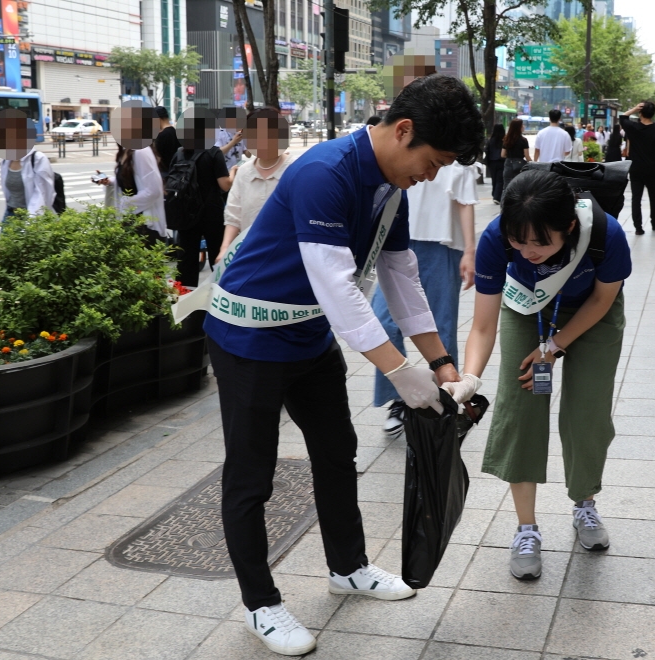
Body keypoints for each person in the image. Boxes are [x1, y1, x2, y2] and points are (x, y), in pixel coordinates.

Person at [202, 74, 483, 657]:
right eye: (433, 161)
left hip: (305, 336)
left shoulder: (389, 185)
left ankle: (348, 567)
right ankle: (261, 604)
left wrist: (443, 364)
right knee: (251, 474)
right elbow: (338, 288)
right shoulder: (324, 173)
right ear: (403, 130)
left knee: (336, 451)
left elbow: (401, 276)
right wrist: (403, 373)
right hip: (249, 337)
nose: (432, 175)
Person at [443, 169, 631, 580]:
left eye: (540, 242)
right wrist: (470, 379)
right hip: (528, 308)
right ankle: (526, 529)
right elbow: (482, 326)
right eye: (518, 239)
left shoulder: (606, 234)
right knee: (520, 409)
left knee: (588, 412)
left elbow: (602, 300)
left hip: (591, 317)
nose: (528, 251)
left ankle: (585, 503)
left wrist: (553, 347)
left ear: (567, 227)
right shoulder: (496, 238)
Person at [372, 159, 478, 438]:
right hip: (398, 242)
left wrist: (470, 250)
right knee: (384, 324)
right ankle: (400, 398)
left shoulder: (456, 158)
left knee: (441, 328)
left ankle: (446, 402)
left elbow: (465, 202)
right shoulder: (407, 149)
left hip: (443, 246)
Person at [216, 107, 293, 263]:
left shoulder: (295, 169)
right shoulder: (244, 172)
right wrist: (225, 249)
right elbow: (233, 215)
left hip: (287, 257)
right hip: (250, 255)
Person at [170, 108, 236, 287]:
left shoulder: (179, 153)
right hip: (211, 212)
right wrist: (233, 171)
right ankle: (221, 294)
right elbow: (225, 185)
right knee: (217, 255)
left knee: (186, 259)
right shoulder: (213, 153)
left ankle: (185, 299)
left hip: (186, 212)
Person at [93, 102, 167, 245]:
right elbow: (131, 181)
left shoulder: (141, 151)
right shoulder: (126, 150)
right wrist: (110, 181)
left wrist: (126, 204)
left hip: (144, 224)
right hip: (132, 220)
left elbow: (154, 190)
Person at [0, 109, 56, 222]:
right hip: (10, 213)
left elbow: (43, 194)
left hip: (32, 216)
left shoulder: (37, 159)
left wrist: (31, 221)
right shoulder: (6, 160)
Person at [619, 101, 655, 235]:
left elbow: (622, 117)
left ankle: (638, 227)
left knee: (636, 198)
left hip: (636, 168)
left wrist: (634, 108)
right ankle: (654, 223)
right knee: (654, 197)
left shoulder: (633, 127)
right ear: (653, 114)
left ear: (640, 113)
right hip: (653, 168)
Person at [502, 118, 531, 191]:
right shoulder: (523, 140)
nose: (524, 126)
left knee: (506, 187)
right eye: (522, 125)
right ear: (519, 127)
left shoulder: (506, 139)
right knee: (518, 186)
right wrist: (533, 163)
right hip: (519, 164)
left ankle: (504, 202)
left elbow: (502, 154)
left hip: (508, 163)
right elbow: (527, 156)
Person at [154, 106, 181, 175]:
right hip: (176, 172)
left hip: (164, 173)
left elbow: (157, 157)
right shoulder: (176, 133)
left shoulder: (161, 136)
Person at [485, 123, 505, 203]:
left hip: (492, 162)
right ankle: (497, 197)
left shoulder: (491, 140)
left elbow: (487, 151)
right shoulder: (504, 140)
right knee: (500, 179)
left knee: (494, 179)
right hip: (501, 161)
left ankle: (494, 194)